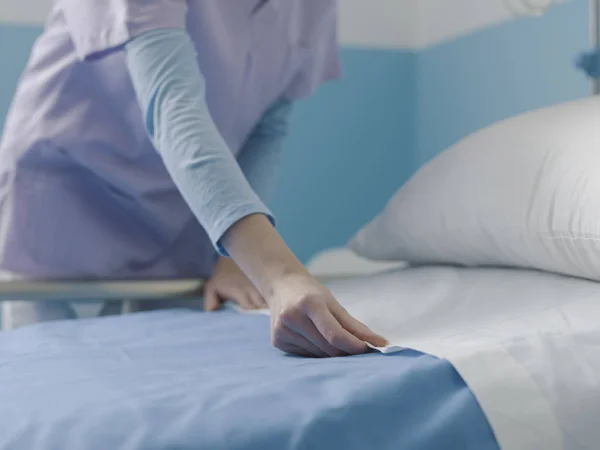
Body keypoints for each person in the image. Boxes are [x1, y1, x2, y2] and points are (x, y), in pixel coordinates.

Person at [0, 0, 387, 357]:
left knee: (157, 376)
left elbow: (267, 127)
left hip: (188, 209)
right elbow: (171, 104)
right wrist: (277, 272)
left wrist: (238, 261)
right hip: (65, 191)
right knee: (51, 375)